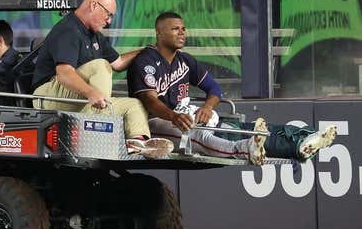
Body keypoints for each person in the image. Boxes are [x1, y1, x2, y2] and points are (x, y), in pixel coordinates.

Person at [127, 11, 337, 165]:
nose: (182, 33)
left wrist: (208, 107)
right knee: (199, 136)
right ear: (159, 32)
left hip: (185, 116)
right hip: (156, 123)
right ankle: (246, 150)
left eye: (183, 29)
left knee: (231, 130)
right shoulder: (146, 60)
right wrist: (173, 116)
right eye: (175, 29)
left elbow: (214, 89)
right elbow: (150, 102)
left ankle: (301, 140)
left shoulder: (186, 61)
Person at [31, 0, 171, 154]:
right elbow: (64, 73)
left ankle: (138, 143)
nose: (109, 21)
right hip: (47, 96)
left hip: (81, 100)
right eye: (108, 14)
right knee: (99, 65)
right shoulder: (68, 29)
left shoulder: (94, 34)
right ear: (93, 6)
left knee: (133, 105)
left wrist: (148, 51)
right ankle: (99, 132)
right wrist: (91, 92)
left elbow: (118, 63)